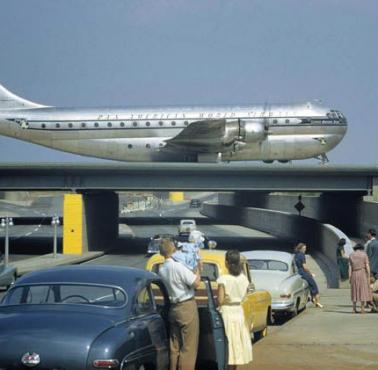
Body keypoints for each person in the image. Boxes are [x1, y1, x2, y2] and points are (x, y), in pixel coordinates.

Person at [158, 236, 201, 370]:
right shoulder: (178, 267)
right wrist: (198, 269)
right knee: (188, 347)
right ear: (174, 249)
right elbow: (196, 283)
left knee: (174, 345)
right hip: (186, 306)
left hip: (173, 307)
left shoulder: (161, 269)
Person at [217, 250, 253, 370]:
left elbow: (220, 300)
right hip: (239, 311)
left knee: (228, 343)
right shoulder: (244, 279)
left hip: (227, 312)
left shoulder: (223, 279)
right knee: (237, 344)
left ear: (227, 263)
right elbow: (245, 295)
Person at [294, 243, 323, 308]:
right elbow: (304, 267)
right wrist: (310, 273)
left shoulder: (296, 255)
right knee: (314, 286)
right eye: (304, 248)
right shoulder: (302, 255)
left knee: (310, 285)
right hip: (304, 272)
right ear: (301, 249)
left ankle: (312, 299)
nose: (305, 249)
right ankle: (317, 302)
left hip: (299, 272)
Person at [349, 243, 372, 313]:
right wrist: (368, 275)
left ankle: (353, 308)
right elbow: (367, 266)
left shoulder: (351, 255)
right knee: (363, 290)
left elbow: (350, 267)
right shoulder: (364, 254)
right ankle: (362, 309)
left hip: (354, 273)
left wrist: (349, 277)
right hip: (362, 273)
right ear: (361, 248)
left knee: (354, 290)